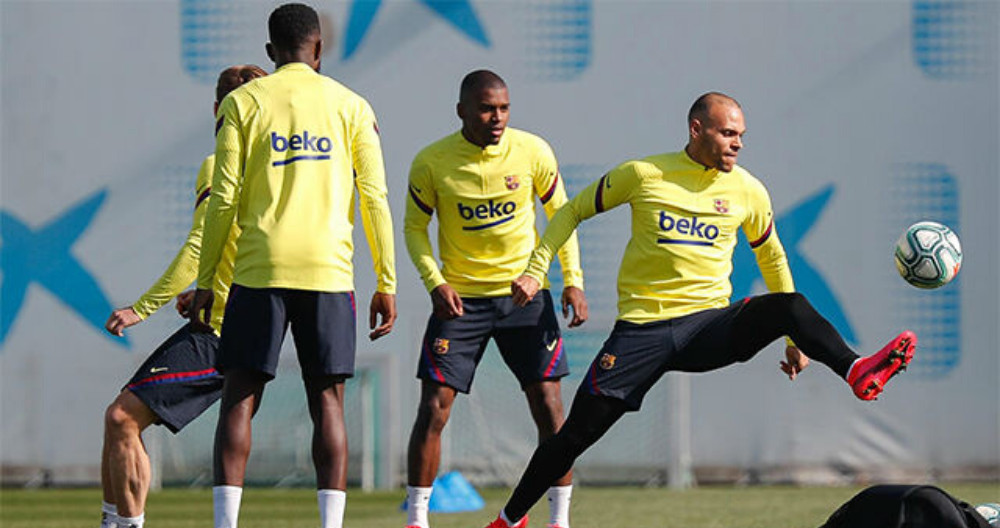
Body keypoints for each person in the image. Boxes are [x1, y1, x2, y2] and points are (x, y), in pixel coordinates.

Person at [483, 92, 917, 528]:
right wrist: (538, 270)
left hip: (709, 327)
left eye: (741, 135)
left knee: (792, 305)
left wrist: (793, 340)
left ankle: (856, 369)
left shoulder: (748, 189)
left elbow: (774, 259)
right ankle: (509, 520)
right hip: (642, 332)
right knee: (573, 437)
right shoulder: (643, 174)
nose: (738, 143)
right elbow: (573, 210)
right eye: (728, 133)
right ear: (696, 129)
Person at [187, 4, 397, 528]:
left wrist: (208, 278)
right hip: (328, 271)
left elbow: (224, 199)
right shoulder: (352, 105)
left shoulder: (243, 102)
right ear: (320, 48)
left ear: (268, 52)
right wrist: (386, 281)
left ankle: (225, 524)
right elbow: (374, 196)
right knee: (327, 400)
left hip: (259, 271)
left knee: (239, 397)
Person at [403, 69, 588, 528]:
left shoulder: (533, 151)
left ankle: (559, 520)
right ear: (462, 110)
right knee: (434, 407)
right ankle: (418, 520)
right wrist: (435, 282)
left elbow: (561, 217)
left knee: (549, 405)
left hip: (524, 299)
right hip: (460, 301)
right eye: (487, 108)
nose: (497, 117)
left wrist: (570, 279)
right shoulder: (432, 161)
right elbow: (413, 229)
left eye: (504, 108)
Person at [98, 64, 267, 528]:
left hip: (223, 332)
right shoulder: (276, 169)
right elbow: (240, 243)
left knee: (121, 419)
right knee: (119, 421)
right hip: (251, 323)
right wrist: (205, 288)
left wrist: (142, 307)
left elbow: (199, 243)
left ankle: (124, 525)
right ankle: (115, 522)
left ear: (218, 109)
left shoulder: (220, 164)